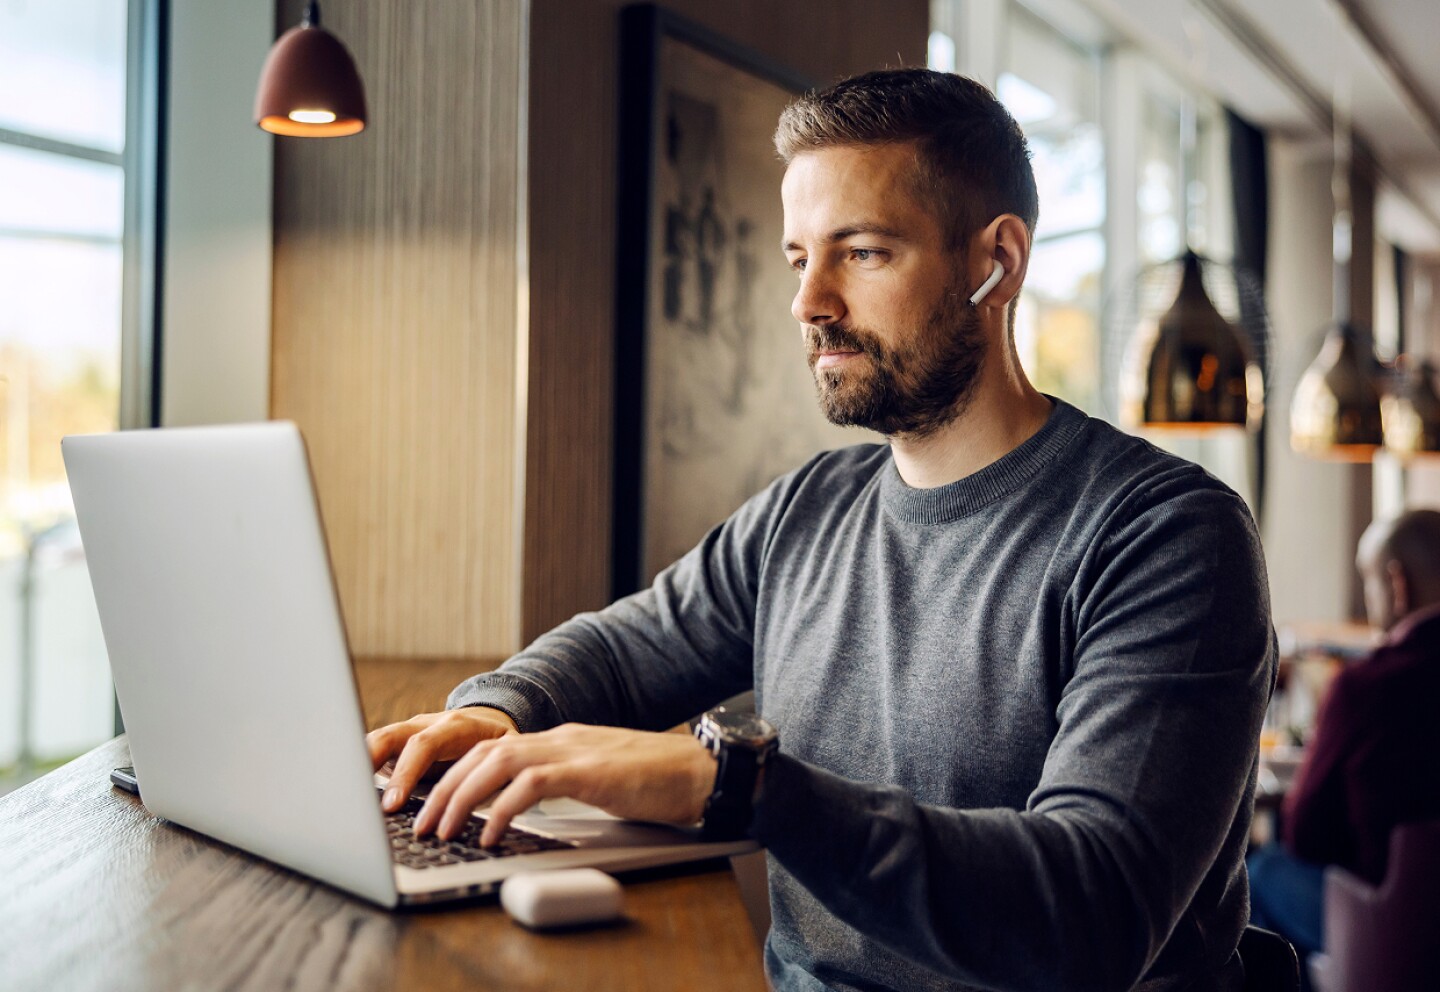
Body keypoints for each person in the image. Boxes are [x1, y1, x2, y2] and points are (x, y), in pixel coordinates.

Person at [367, 69, 1275, 992]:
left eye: (864, 252)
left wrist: (737, 786)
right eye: (802, 259)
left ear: (996, 262)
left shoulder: (1166, 535)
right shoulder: (810, 508)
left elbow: (1094, 911)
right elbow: (623, 653)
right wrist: (494, 711)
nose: (810, 303)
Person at [1248, 509, 1440, 963]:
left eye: (1368, 584)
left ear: (1397, 585)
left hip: (1393, 930)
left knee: (1262, 871)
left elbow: (1305, 832)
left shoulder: (1368, 686)